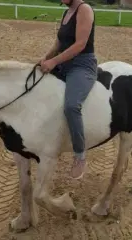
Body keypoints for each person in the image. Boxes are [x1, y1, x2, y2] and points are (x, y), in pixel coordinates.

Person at [39, 0, 97, 179]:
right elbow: (59, 42)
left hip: (82, 65)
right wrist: (44, 58)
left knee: (72, 106)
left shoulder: (84, 9)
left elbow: (80, 44)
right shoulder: (68, 11)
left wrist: (54, 61)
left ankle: (80, 155)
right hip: (64, 63)